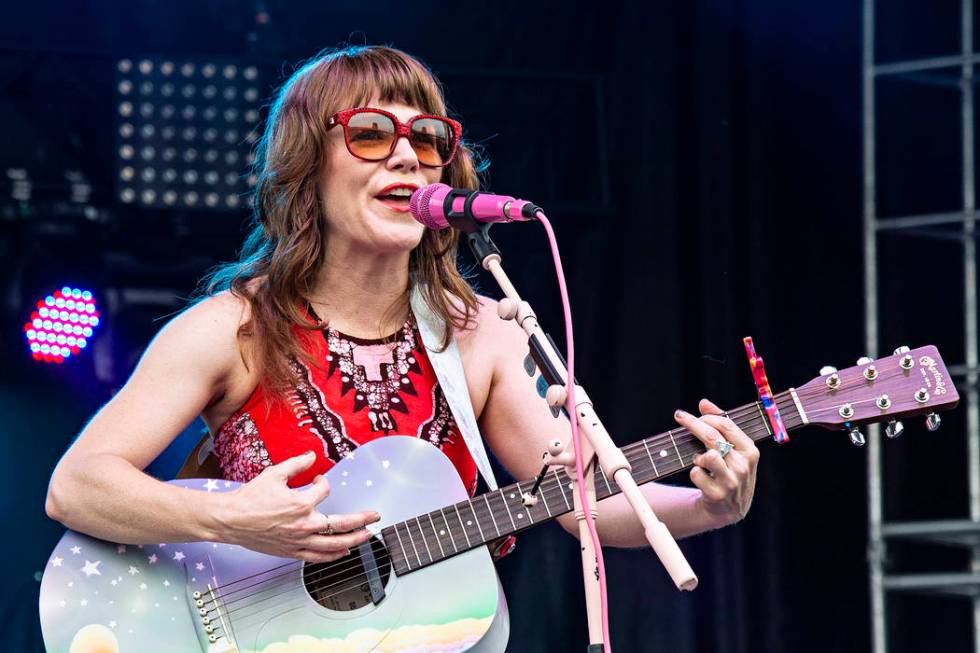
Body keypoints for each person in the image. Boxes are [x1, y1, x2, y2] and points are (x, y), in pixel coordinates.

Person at [45, 45, 758, 572]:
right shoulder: (230, 328)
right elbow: (76, 486)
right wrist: (227, 516)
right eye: (370, 133)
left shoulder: (483, 335)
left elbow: (580, 502)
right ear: (306, 167)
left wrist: (709, 507)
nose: (409, 157)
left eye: (427, 138)